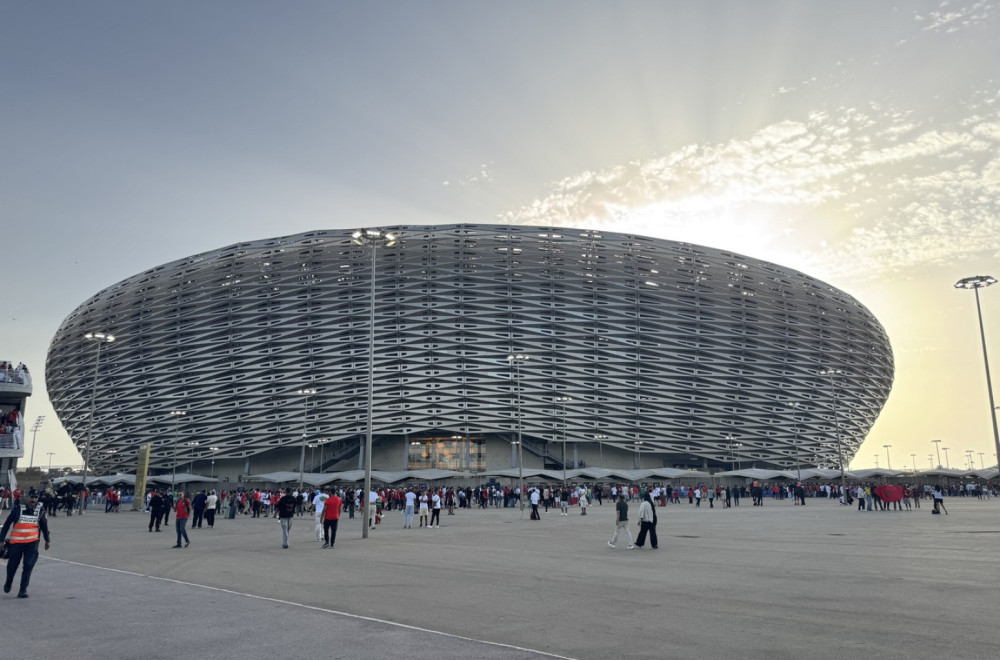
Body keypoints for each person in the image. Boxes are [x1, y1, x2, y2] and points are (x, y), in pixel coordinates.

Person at [1, 491, 52, 598]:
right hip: (16, 543)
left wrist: (47, 540)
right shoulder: (18, 509)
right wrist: (1, 540)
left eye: (36, 498)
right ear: (27, 497)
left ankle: (23, 590)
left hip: (32, 543)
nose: (34, 500)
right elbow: (6, 525)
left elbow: (44, 526)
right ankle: (8, 582)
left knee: (28, 566)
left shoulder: (40, 511)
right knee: (12, 566)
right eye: (31, 497)